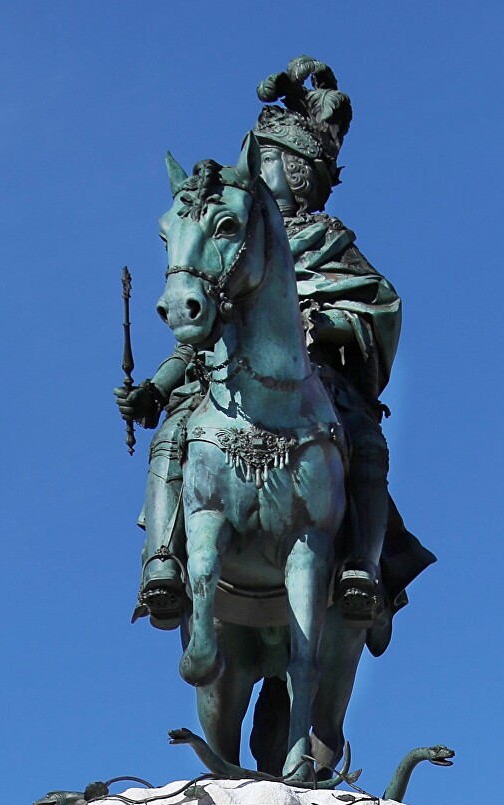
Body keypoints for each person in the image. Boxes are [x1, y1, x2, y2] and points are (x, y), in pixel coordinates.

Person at [115, 56, 434, 651]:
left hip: (323, 385)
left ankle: (364, 567)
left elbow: (379, 309)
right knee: (173, 435)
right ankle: (160, 561)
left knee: (366, 443)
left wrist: (331, 325)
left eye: (271, 162)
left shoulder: (331, 241)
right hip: (228, 379)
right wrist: (156, 388)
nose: (263, 172)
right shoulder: (231, 239)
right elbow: (203, 331)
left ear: (299, 170)